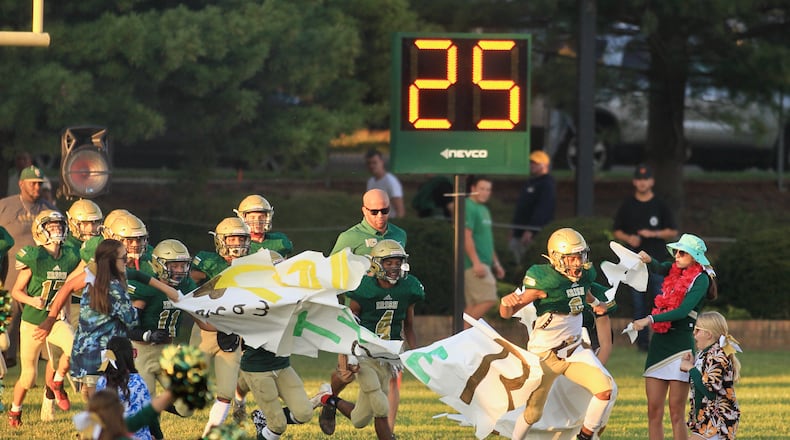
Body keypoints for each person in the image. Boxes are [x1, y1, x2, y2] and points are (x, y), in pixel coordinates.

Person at [499, 227, 616, 440]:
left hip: (574, 351)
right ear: (556, 258)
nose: (578, 263)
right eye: (571, 258)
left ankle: (584, 436)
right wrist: (506, 304)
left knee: (605, 390)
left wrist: (598, 304)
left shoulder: (585, 275)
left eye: (580, 256)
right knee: (533, 413)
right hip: (545, 355)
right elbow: (507, 313)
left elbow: (585, 292)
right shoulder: (545, 281)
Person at [316, 240, 424, 439]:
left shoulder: (408, 288)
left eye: (397, 262)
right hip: (363, 356)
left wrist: (416, 354)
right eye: (388, 262)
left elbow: (408, 325)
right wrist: (344, 359)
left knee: (359, 419)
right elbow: (348, 326)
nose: (394, 267)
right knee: (381, 408)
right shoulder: (364, 288)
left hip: (388, 359)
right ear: (376, 264)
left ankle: (327, 398)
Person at [320, 189, 407, 434]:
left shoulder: (399, 234)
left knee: (392, 375)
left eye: (385, 210)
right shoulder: (350, 237)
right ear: (363, 210)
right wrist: (336, 311)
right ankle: (329, 397)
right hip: (359, 312)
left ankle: (389, 432)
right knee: (346, 372)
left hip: (389, 312)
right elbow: (331, 274)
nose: (380, 216)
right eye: (374, 211)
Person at [631, 233, 718, 440]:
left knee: (676, 412)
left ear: (695, 257)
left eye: (682, 252)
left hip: (681, 347)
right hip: (659, 345)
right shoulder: (675, 269)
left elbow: (682, 311)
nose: (676, 256)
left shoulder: (701, 279)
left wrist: (649, 319)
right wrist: (648, 260)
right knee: (653, 410)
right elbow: (661, 267)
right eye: (676, 251)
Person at [7, 210, 80, 428]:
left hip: (54, 318)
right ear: (40, 230)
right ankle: (15, 411)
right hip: (32, 324)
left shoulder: (68, 255)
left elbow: (66, 288)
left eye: (59, 225)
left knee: (75, 347)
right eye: (52, 226)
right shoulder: (35, 256)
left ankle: (57, 382)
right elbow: (16, 291)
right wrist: (31, 301)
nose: (57, 229)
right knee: (28, 377)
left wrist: (65, 309)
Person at [190, 217, 250, 438]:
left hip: (232, 332)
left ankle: (209, 434)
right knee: (192, 385)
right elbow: (187, 283)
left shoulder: (253, 264)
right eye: (232, 238)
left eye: (241, 238)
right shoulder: (207, 262)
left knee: (226, 391)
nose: (236, 243)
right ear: (221, 240)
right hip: (205, 330)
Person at [613, 164, 678, 351]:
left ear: (651, 182)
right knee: (639, 305)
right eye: (639, 179)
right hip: (634, 265)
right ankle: (642, 344)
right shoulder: (628, 204)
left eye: (646, 179)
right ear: (635, 182)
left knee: (661, 302)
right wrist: (628, 238)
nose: (642, 183)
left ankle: (663, 341)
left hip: (656, 262)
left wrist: (652, 234)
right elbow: (617, 230)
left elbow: (672, 231)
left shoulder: (660, 204)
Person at [128, 239, 196, 414]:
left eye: (183, 266)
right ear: (159, 265)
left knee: (186, 406)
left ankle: (161, 403)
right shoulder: (146, 290)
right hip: (142, 352)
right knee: (145, 405)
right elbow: (128, 327)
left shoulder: (187, 287)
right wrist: (148, 335)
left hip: (168, 352)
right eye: (174, 266)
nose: (180, 271)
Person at [0, 165, 56, 368]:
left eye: (40, 184)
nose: (37, 187)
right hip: (10, 273)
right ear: (21, 184)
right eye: (33, 183)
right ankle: (7, 359)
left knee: (39, 313)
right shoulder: (5, 206)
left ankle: (40, 359)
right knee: (10, 317)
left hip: (41, 275)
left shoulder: (49, 209)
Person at [70, 239, 140, 399]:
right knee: (107, 409)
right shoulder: (114, 288)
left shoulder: (91, 284)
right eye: (123, 257)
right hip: (107, 357)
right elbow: (131, 320)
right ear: (110, 261)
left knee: (95, 407)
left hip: (86, 354)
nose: (127, 260)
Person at [679, 311, 741, 440]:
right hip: (705, 418)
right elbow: (702, 376)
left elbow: (709, 390)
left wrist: (690, 368)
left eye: (697, 330)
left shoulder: (717, 356)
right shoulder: (705, 353)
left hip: (719, 419)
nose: (694, 334)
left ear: (708, 334)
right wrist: (693, 363)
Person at [96, 336, 161, 440]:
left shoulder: (101, 382)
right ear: (129, 356)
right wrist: (159, 436)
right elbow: (149, 414)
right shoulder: (137, 382)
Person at [463, 175, 505, 327]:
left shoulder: (484, 209)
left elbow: (488, 240)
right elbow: (465, 236)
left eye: (488, 189)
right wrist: (476, 262)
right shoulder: (468, 205)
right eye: (482, 188)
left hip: (485, 263)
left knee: (472, 305)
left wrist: (496, 264)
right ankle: (460, 332)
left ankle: (460, 339)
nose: (485, 192)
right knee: (489, 299)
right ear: (473, 189)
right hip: (474, 264)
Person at [509, 150, 556, 264]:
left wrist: (530, 230)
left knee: (528, 263)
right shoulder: (530, 182)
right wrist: (513, 229)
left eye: (535, 163)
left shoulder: (547, 184)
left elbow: (544, 209)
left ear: (545, 165)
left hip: (533, 234)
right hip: (519, 231)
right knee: (515, 262)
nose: (532, 165)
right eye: (531, 162)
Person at [64, 199, 104, 327]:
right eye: (85, 223)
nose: (91, 228)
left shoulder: (99, 242)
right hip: (71, 303)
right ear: (72, 223)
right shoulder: (65, 246)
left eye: (95, 223)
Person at [365, 149, 405, 218]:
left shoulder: (390, 181)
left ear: (381, 162)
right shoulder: (371, 181)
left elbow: (400, 211)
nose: (371, 166)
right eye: (369, 163)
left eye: (374, 163)